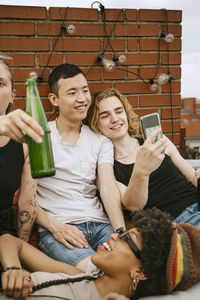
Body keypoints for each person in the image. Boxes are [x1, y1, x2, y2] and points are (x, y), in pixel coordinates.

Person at [35, 64, 125, 272]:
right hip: (60, 228)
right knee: (97, 274)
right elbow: (26, 196)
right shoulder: (38, 137)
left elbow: (108, 187)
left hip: (100, 225)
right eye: (72, 92)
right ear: (54, 100)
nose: (82, 98)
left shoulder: (101, 141)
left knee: (128, 267)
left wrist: (120, 232)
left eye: (85, 90)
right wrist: (52, 226)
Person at [0, 208, 200, 300]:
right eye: (121, 232)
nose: (113, 235)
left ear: (141, 272)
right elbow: (9, 241)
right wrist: (13, 269)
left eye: (126, 239)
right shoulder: (83, 276)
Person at [86, 88, 200, 228]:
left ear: (126, 114)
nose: (115, 119)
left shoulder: (156, 142)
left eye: (119, 111)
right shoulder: (106, 169)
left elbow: (192, 177)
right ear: (95, 124)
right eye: (105, 116)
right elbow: (133, 205)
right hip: (176, 225)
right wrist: (141, 169)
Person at [0, 59, 43, 242]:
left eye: (0, 83)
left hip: (4, 237)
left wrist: (20, 247)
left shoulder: (24, 147)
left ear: (12, 95)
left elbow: (27, 204)